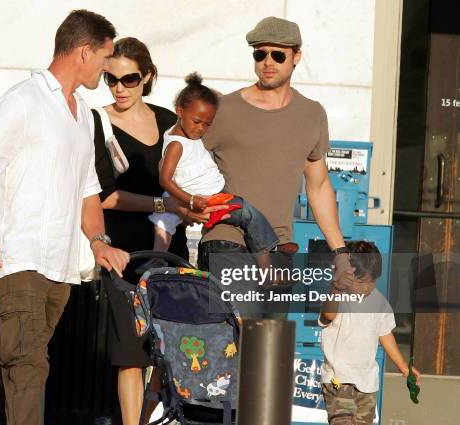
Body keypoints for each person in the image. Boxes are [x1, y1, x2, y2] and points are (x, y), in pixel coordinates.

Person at [0, 10, 129, 425]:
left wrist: (99, 242)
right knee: (29, 366)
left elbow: (89, 192)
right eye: (106, 58)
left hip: (61, 267)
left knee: (14, 367)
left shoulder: (85, 115)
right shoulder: (24, 99)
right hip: (19, 259)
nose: (108, 69)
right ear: (84, 52)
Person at [197, 16, 372, 313]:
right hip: (228, 242)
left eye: (278, 55)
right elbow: (180, 156)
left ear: (296, 57)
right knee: (232, 349)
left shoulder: (311, 114)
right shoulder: (223, 109)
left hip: (279, 249)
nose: (268, 62)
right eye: (259, 54)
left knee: (270, 352)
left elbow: (317, 187)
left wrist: (340, 251)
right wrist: (186, 205)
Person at [93, 37, 197, 425]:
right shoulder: (97, 122)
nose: (119, 88)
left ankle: (152, 417)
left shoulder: (169, 121)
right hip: (124, 251)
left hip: (172, 246)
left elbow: (190, 174)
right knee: (131, 352)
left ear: (147, 76)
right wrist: (160, 204)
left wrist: (188, 206)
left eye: (129, 79)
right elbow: (100, 197)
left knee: (172, 345)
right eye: (111, 79)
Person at [148, 72, 278, 267]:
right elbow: (164, 180)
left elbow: (211, 101)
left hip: (200, 197)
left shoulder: (184, 134)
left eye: (207, 124)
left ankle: (156, 260)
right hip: (208, 198)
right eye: (197, 122)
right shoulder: (177, 145)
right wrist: (191, 200)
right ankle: (267, 263)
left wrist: (199, 88)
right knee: (250, 214)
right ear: (179, 111)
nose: (201, 128)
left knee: (164, 223)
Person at [319, 241, 420, 425]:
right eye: (361, 282)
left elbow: (386, 335)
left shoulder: (380, 303)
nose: (366, 288)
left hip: (367, 382)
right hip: (338, 379)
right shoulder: (337, 296)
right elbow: (328, 314)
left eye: (371, 282)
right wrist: (337, 288)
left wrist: (403, 366)